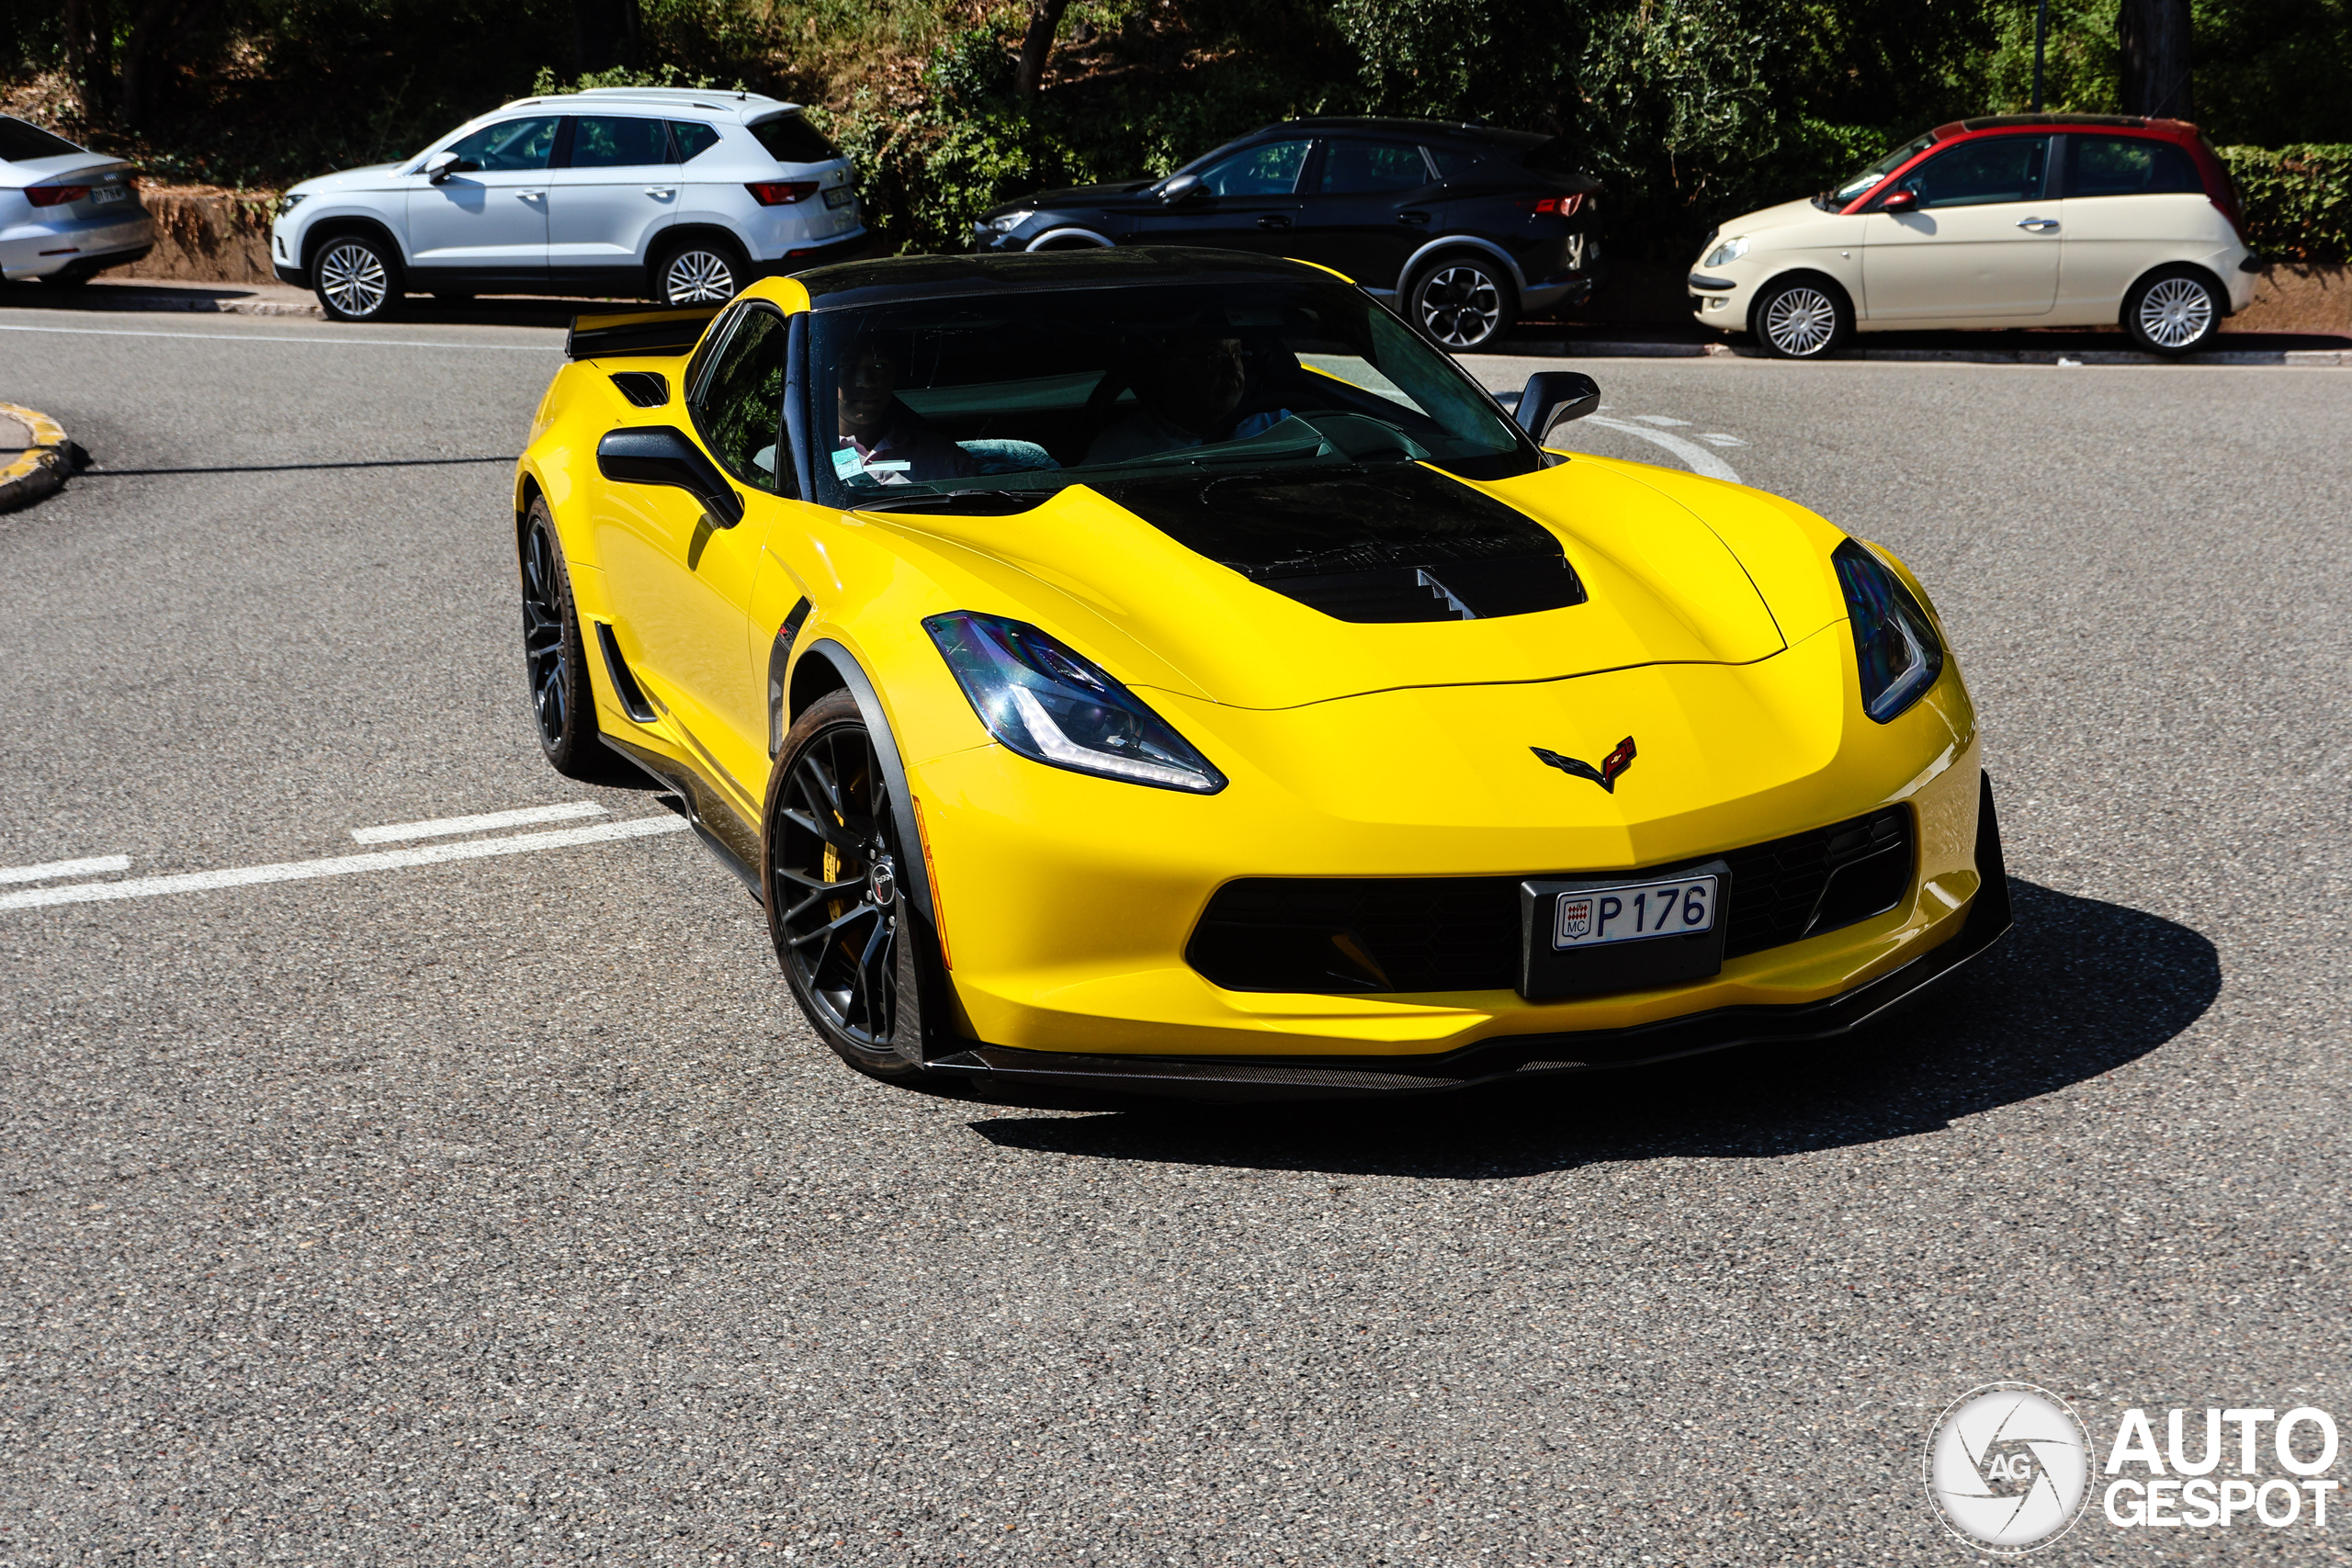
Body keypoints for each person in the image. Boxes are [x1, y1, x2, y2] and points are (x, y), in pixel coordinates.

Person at [1083, 330, 1293, 465]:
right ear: (1172, 367)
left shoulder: (1279, 426)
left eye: (1237, 354)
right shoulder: (1123, 450)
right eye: (1214, 358)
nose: (1232, 370)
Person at [833, 339, 978, 486]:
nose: (865, 381)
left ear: (894, 375)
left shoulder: (945, 459)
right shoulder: (811, 459)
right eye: (848, 367)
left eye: (880, 366)